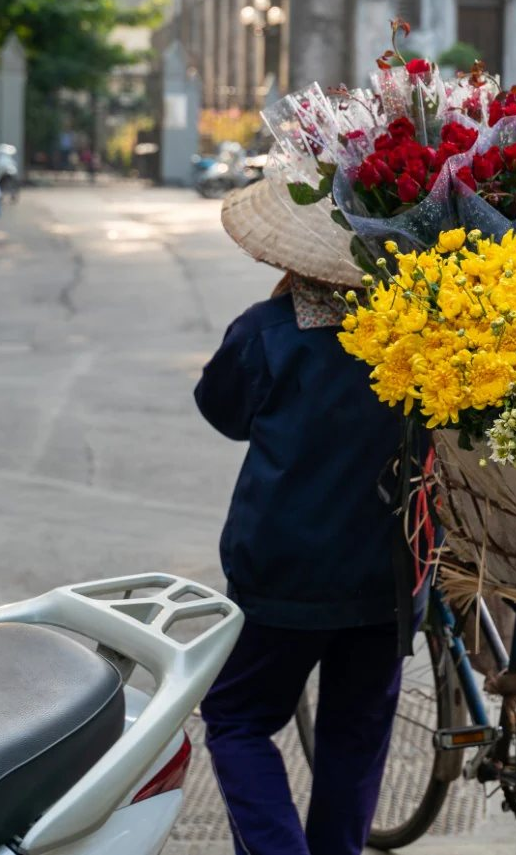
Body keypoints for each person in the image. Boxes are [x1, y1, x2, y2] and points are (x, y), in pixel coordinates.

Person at [197, 180, 430, 855]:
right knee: (354, 743)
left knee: (237, 716)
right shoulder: (419, 333)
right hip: (387, 577)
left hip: (282, 577)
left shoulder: (266, 332)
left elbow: (222, 410)